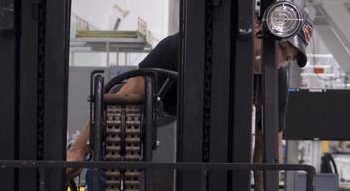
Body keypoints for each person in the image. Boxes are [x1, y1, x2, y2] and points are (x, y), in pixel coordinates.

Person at [66, 12, 314, 164]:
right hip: (151, 144)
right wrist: (78, 150)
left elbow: (266, 149)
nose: (280, 61)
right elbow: (125, 97)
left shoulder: (274, 83)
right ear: (259, 28)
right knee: (110, 165)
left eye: (288, 59)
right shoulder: (184, 48)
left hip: (211, 167)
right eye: (281, 49)